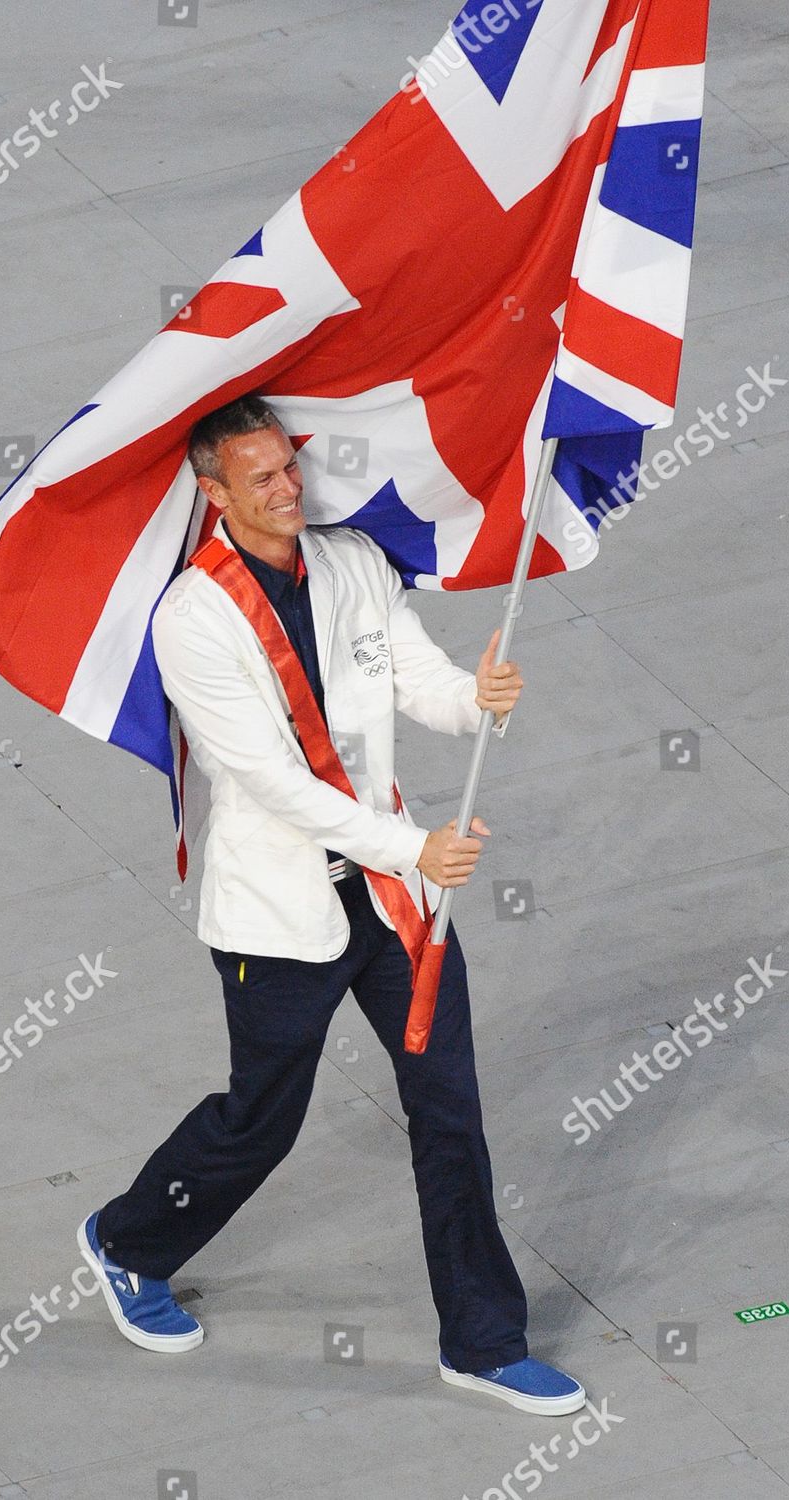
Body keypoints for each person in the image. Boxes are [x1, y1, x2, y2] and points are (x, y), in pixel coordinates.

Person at [77, 395, 585, 1417]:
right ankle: (129, 1241)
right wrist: (416, 846)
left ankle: (482, 1342)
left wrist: (469, 696)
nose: (287, 488)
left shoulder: (350, 560)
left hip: (396, 901)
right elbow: (271, 782)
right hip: (282, 914)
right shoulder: (191, 619)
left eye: (289, 467)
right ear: (210, 490)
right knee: (261, 1119)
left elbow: (410, 674)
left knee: (449, 1112)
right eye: (260, 477)